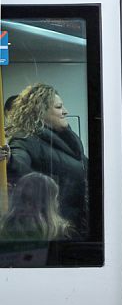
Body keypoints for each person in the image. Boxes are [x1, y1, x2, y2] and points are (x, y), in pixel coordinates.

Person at [6, 83, 89, 235]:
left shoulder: (68, 141)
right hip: (52, 229)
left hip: (77, 225)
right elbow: (19, 165)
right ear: (40, 112)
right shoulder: (24, 140)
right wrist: (9, 159)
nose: (65, 112)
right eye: (58, 107)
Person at [0, 172, 72, 241]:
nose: (26, 206)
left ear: (47, 205)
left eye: (33, 200)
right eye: (23, 199)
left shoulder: (65, 234)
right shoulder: (4, 230)